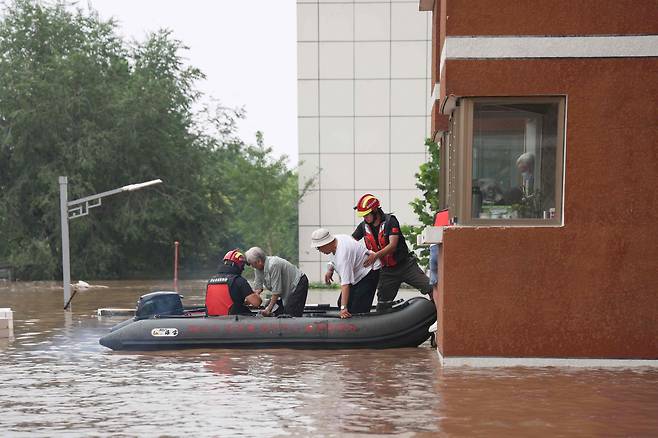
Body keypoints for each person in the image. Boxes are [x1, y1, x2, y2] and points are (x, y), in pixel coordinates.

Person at [325, 194, 431, 311]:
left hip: (405, 266)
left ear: (375, 211)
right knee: (383, 304)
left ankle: (439, 315)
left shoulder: (391, 221)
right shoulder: (363, 226)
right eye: (363, 216)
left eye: (366, 215)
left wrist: (375, 256)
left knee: (429, 287)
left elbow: (392, 245)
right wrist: (331, 267)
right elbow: (347, 244)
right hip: (387, 271)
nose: (365, 218)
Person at [311, 228, 380, 319]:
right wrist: (330, 269)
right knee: (341, 303)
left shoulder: (343, 255)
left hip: (369, 272)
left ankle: (361, 326)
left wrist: (343, 309)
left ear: (326, 243)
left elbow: (345, 284)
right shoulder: (336, 240)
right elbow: (333, 257)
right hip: (356, 273)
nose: (319, 250)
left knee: (358, 308)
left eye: (319, 247)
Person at [244, 247, 309, 317]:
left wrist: (268, 309)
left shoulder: (273, 265)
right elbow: (258, 288)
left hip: (298, 283)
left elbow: (276, 291)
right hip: (285, 289)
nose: (251, 266)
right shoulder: (257, 268)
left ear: (259, 261)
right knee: (274, 308)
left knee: (290, 313)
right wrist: (250, 300)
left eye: (252, 264)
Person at [205, 249, 262, 316]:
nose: (243, 269)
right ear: (239, 266)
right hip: (233, 320)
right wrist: (257, 294)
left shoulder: (211, 281)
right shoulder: (239, 281)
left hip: (211, 319)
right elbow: (256, 303)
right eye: (242, 266)